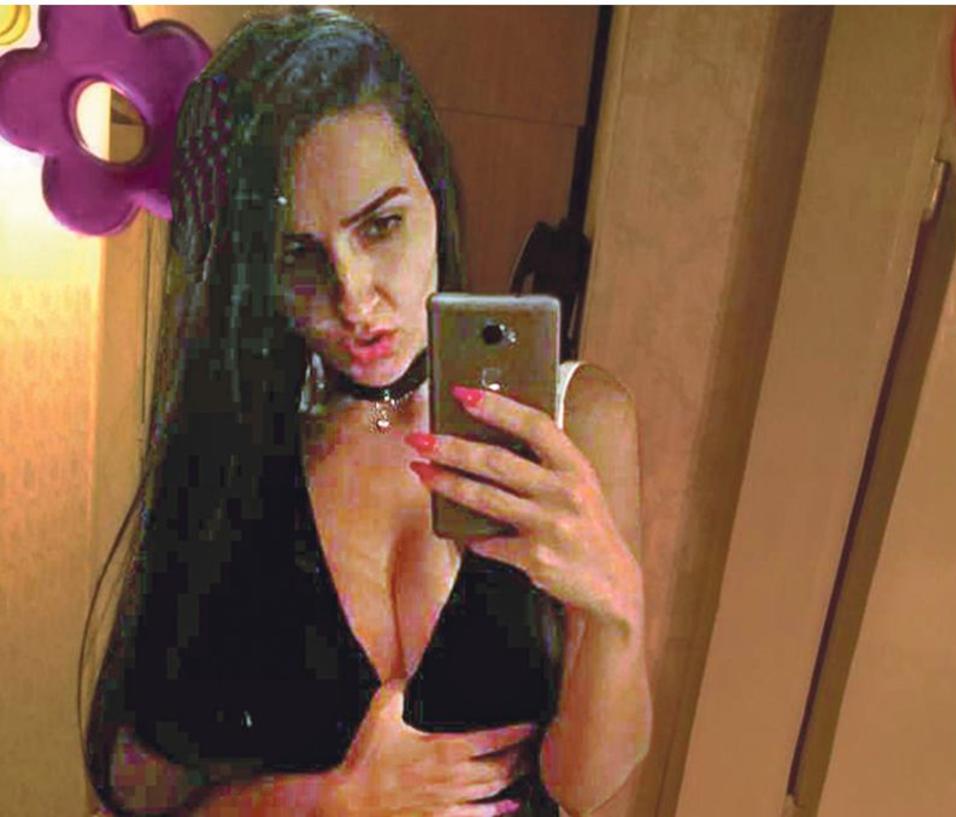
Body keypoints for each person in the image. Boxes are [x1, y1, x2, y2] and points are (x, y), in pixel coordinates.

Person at [83, 9, 651, 816]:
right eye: (299, 253)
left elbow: (582, 788)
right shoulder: (246, 443)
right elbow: (142, 794)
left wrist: (618, 612)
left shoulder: (579, 420)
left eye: (381, 226)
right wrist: (337, 799)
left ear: (434, 195)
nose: (354, 298)